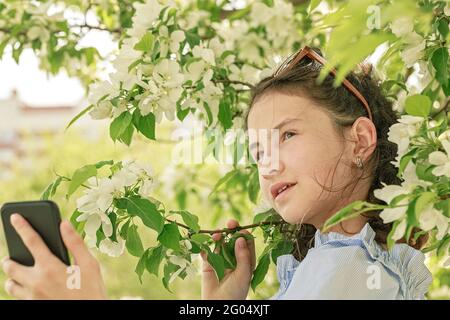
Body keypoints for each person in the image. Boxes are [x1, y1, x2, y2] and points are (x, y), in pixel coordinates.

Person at [1, 47, 432, 300]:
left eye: (288, 136)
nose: (269, 164)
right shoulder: (342, 262)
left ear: (359, 140)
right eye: (258, 150)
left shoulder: (345, 269)